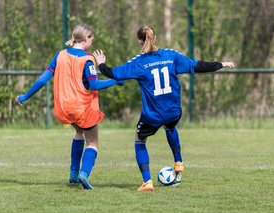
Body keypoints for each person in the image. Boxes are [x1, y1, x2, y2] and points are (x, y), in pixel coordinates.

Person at [93, 25, 234, 192]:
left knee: (139, 140)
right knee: (170, 126)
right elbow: (197, 66)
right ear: (155, 38)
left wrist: (101, 64)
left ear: (140, 41)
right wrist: (221, 64)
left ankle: (147, 182)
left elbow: (113, 73)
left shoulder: (138, 62)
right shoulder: (171, 55)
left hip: (153, 115)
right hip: (174, 112)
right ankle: (178, 162)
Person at [16, 23, 123, 190]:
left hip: (63, 107)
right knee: (93, 143)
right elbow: (94, 85)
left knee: (79, 132)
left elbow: (43, 79)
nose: (92, 43)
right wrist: (115, 80)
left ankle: (73, 173)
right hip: (81, 107)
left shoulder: (60, 55)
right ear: (86, 39)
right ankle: (84, 174)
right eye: (91, 39)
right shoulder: (88, 59)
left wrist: (25, 96)